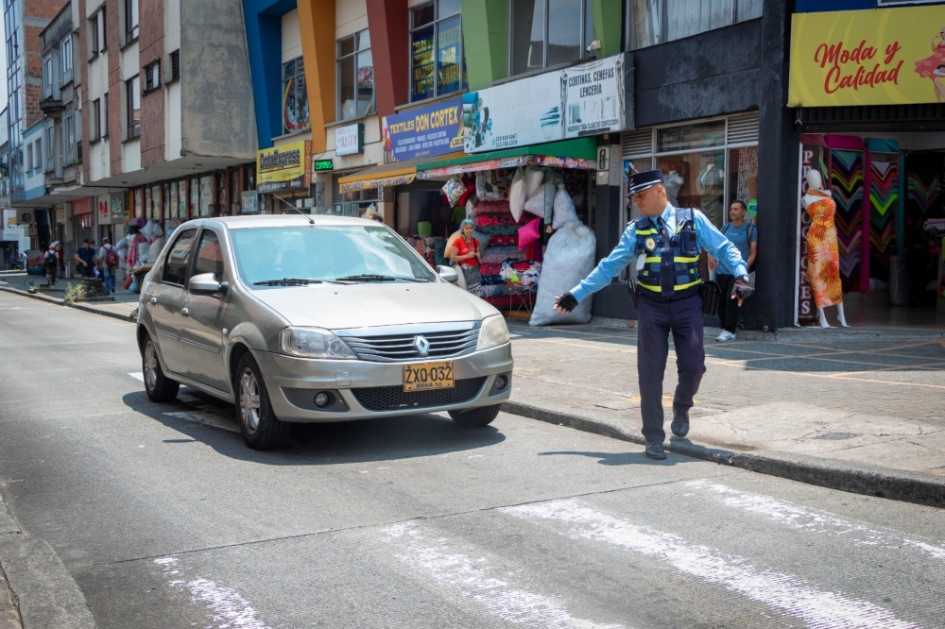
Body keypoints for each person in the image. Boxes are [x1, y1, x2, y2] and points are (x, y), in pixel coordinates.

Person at [553, 169, 752, 461]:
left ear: (660, 191)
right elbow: (609, 267)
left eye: (640, 195)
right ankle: (654, 438)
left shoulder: (693, 219)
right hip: (651, 307)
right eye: (633, 197)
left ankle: (682, 407)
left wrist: (741, 276)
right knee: (649, 373)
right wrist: (576, 294)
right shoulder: (636, 230)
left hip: (688, 305)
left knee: (694, 366)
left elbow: (724, 248)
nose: (636, 202)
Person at [802, 170, 848, 328]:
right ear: (807, 180)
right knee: (817, 276)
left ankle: (841, 315)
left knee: (834, 274)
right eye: (811, 178)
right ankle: (823, 317)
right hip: (816, 238)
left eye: (817, 177)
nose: (814, 179)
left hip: (830, 238)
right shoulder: (806, 198)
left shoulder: (827, 193)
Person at [710, 200, 757, 342]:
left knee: (731, 301)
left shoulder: (750, 229)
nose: (732, 211)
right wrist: (711, 257)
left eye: (736, 209)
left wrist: (744, 269)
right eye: (731, 209)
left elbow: (753, 252)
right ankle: (725, 327)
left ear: (744, 212)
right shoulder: (725, 228)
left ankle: (729, 330)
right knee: (721, 301)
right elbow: (714, 244)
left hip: (737, 273)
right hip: (722, 270)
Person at [444, 218, 481, 294]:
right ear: (462, 229)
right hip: (461, 269)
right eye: (466, 228)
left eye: (471, 228)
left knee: (476, 293)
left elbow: (479, 255)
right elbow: (452, 257)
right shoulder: (457, 241)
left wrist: (478, 255)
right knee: (464, 292)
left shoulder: (475, 241)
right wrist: (466, 256)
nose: (469, 230)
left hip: (474, 270)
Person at [913, 25, 945, 102]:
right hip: (937, 62)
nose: (941, 34)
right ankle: (939, 101)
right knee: (935, 81)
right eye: (940, 33)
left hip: (943, 62)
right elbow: (934, 50)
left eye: (942, 32)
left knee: (937, 80)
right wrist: (932, 40)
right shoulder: (941, 42)